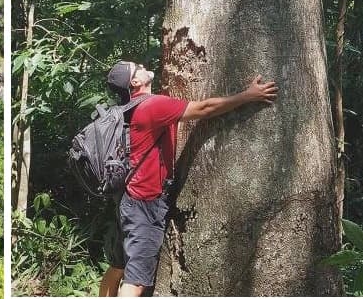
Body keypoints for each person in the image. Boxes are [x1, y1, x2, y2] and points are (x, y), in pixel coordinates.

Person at [98, 61, 278, 297]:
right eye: (137, 67)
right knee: (137, 282)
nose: (142, 65)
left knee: (119, 266)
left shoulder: (126, 109)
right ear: (135, 82)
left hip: (126, 199)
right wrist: (248, 95)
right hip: (144, 204)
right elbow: (204, 109)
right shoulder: (152, 105)